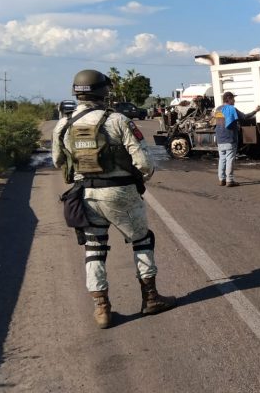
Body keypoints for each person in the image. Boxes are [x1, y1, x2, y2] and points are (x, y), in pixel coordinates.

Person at [52, 69, 176, 329]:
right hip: (120, 192)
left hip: (85, 194)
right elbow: (144, 162)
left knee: (94, 249)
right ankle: (150, 298)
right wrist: (142, 176)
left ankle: (102, 309)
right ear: (103, 92)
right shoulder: (118, 120)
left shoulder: (63, 123)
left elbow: (57, 161)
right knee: (142, 240)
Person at [214, 91, 260, 187]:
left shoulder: (218, 109)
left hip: (220, 138)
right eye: (233, 98)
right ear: (229, 99)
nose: (234, 100)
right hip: (230, 138)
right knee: (229, 159)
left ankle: (221, 179)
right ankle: (229, 180)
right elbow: (244, 117)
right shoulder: (232, 109)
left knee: (222, 159)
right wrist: (255, 111)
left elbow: (219, 123)